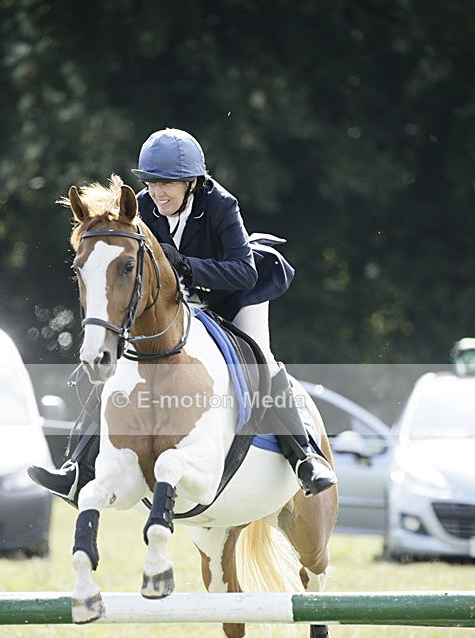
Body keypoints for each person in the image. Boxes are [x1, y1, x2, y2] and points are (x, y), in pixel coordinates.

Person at [29, 128, 336, 501]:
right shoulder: (140, 208)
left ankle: (304, 456)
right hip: (176, 305)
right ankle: (77, 467)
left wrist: (187, 266)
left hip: (234, 297)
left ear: (191, 182)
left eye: (168, 184)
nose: (158, 193)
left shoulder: (222, 205)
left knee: (262, 361)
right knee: (117, 367)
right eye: (152, 182)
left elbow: (244, 270)